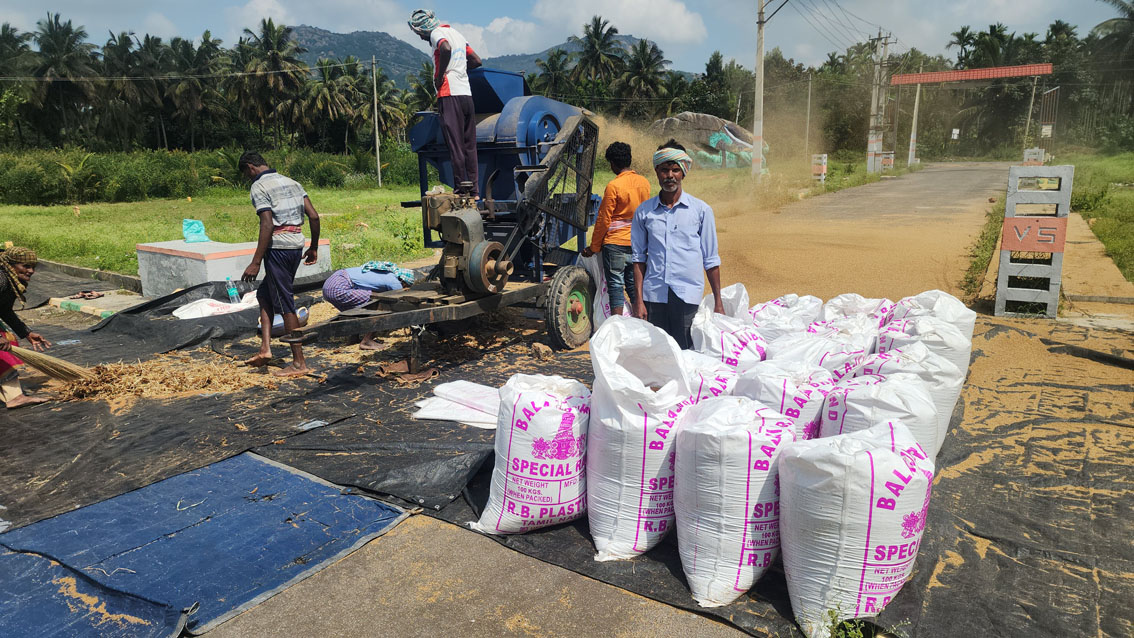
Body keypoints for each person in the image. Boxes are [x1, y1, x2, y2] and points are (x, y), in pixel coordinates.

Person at [631, 140, 725, 349]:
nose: (670, 175)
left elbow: (711, 259)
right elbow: (638, 259)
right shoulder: (644, 212)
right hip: (654, 295)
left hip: (687, 294)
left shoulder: (701, 211)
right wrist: (638, 300)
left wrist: (718, 301)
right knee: (657, 354)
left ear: (684, 172)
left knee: (686, 353)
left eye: (675, 170)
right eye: (665, 170)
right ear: (657, 171)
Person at [238, 151, 321, 377]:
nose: (248, 178)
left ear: (250, 167)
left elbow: (267, 223)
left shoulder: (259, 187)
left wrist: (255, 262)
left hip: (278, 249)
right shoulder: (292, 182)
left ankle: (298, 362)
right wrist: (313, 247)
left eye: (246, 174)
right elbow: (313, 216)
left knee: (285, 302)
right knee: (264, 294)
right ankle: (265, 349)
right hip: (295, 246)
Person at [408, 8, 482, 198]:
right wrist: (460, 69)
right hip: (467, 94)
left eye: (419, 34)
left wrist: (441, 75)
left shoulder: (436, 33)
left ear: (422, 29)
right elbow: (475, 60)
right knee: (469, 145)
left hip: (449, 94)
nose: (421, 38)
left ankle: (460, 189)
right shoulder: (457, 33)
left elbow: (445, 48)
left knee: (455, 144)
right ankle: (474, 190)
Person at [582, 142, 651, 316]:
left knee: (615, 287)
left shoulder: (614, 186)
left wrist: (594, 248)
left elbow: (604, 220)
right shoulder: (644, 183)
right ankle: (641, 322)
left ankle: (617, 326)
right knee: (634, 285)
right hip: (637, 243)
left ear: (612, 163)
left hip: (615, 244)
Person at [322, 261, 414, 350]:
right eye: (405, 285)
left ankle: (353, 338)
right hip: (338, 287)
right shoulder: (394, 281)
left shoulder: (386, 273)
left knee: (356, 310)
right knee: (379, 305)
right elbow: (401, 299)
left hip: (330, 285)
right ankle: (367, 341)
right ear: (402, 280)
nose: (403, 287)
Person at [0, 247, 50, 409]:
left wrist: (26, 332)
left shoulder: (12, 280)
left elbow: (4, 310)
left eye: (33, 267)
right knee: (5, 345)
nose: (31, 271)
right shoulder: (1, 279)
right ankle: (14, 397)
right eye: (26, 266)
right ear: (10, 265)